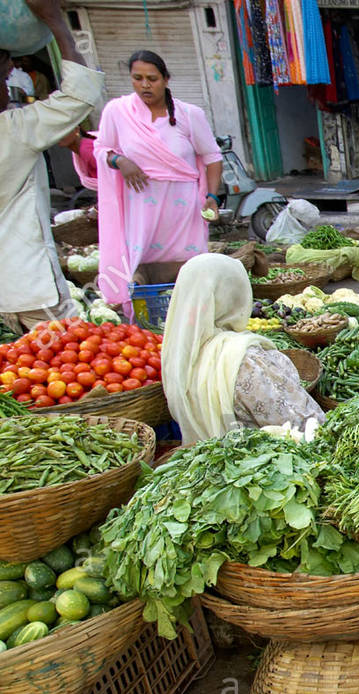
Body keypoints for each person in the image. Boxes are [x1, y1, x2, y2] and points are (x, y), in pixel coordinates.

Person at [0, 0, 104, 334]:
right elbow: (78, 96)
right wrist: (55, 22)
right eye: (3, 76)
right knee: (68, 366)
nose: (9, 86)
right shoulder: (13, 131)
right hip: (31, 288)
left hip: (9, 292)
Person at [94, 50, 223, 308]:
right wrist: (120, 161)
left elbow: (212, 157)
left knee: (190, 268)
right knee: (141, 265)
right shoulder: (117, 112)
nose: (145, 85)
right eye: (137, 78)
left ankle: (194, 317)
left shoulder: (189, 115)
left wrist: (211, 197)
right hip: (141, 208)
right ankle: (145, 319)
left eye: (152, 78)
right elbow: (101, 148)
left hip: (183, 209)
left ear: (166, 79)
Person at [161, 254, 324, 445]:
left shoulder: (176, 355)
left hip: (208, 457)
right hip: (259, 462)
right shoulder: (243, 360)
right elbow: (301, 426)